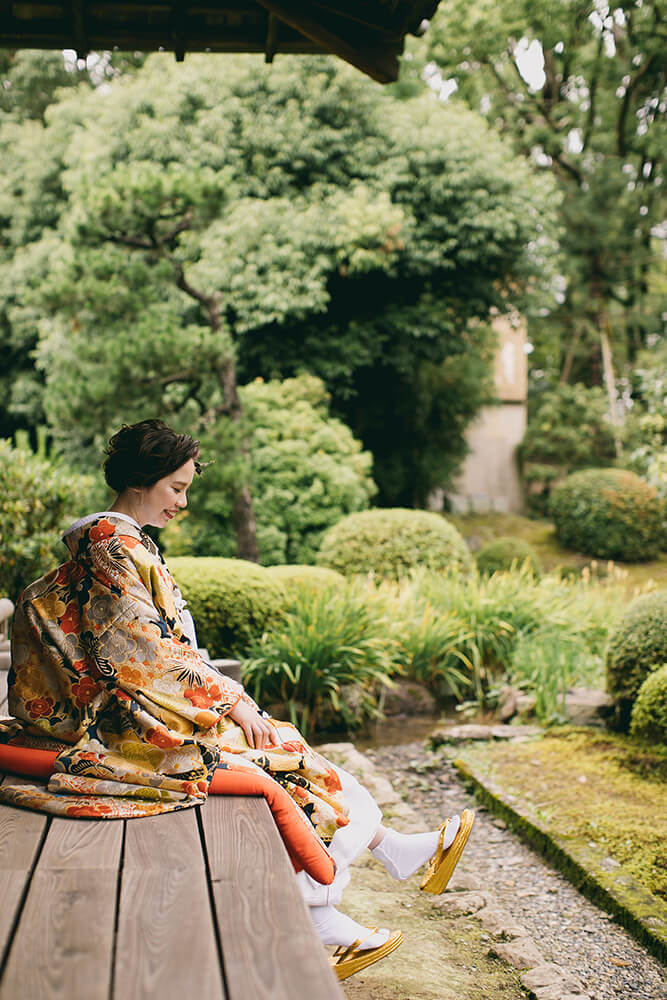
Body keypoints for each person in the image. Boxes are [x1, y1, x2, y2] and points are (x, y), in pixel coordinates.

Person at [1, 419, 473, 981]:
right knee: (277, 755)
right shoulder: (110, 543)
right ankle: (339, 899)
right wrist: (230, 703)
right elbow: (142, 654)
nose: (182, 502)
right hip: (119, 725)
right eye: (175, 488)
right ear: (142, 479)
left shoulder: (117, 541)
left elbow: (151, 651)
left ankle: (381, 860)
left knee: (279, 744)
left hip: (135, 709)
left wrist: (230, 701)